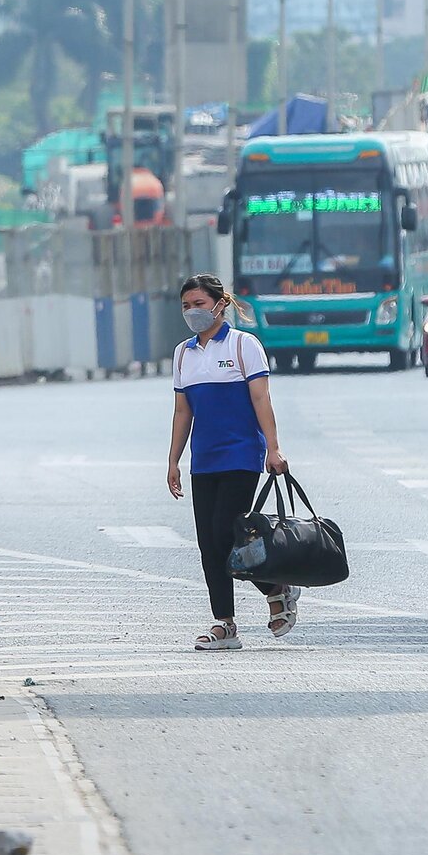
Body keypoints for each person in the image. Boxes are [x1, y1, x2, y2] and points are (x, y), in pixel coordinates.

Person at [168, 273, 298, 652]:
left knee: (229, 534)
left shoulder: (244, 346)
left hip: (242, 455)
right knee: (209, 544)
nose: (193, 312)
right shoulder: (183, 353)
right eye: (186, 306)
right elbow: (182, 411)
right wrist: (174, 460)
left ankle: (276, 588)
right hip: (203, 460)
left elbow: (261, 400)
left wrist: (273, 448)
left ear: (220, 305)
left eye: (200, 304)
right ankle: (225, 624)